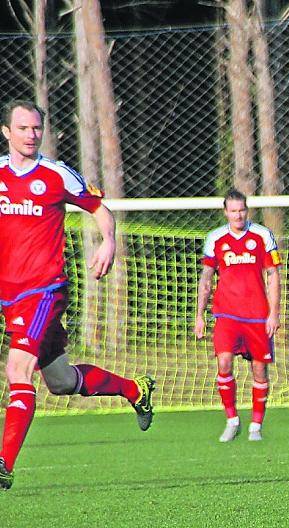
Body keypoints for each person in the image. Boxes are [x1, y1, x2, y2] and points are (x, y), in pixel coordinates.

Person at [0, 100, 155, 490]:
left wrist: (108, 241)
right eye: (22, 128)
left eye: (36, 128)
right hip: (8, 293)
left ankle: (3, 463)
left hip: (43, 290)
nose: (31, 135)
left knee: (17, 370)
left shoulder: (56, 175)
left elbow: (99, 208)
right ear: (6, 132)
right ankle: (134, 389)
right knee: (62, 381)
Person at [194, 190, 282, 442]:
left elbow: (273, 275)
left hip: (257, 315)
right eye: (233, 211)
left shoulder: (262, 236)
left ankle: (256, 425)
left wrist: (274, 313)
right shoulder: (216, 239)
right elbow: (206, 279)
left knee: (259, 371)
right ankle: (232, 420)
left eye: (241, 210)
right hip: (226, 315)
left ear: (247, 210)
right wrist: (199, 315)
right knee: (223, 363)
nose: (238, 215)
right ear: (225, 212)